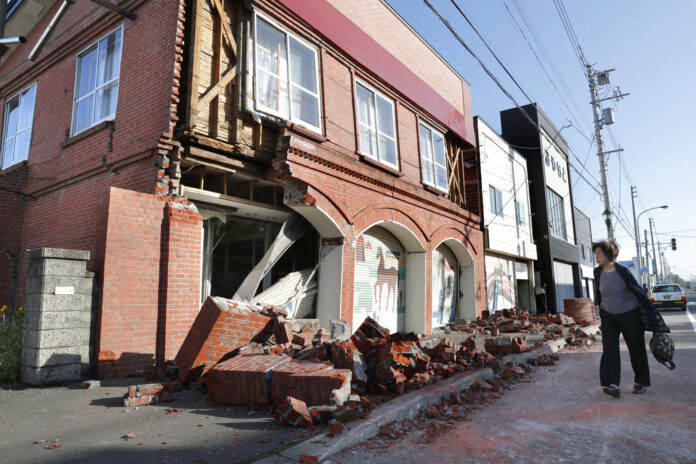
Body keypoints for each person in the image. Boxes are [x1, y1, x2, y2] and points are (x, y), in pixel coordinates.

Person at [592, 240, 670, 398]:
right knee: (609, 350)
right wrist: (601, 311)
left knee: (636, 348)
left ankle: (640, 382)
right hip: (609, 316)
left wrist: (654, 320)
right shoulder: (597, 272)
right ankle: (612, 384)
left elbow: (639, 292)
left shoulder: (623, 271)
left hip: (630, 314)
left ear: (608, 254)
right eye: (596, 254)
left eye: (599, 253)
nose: (596, 257)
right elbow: (599, 294)